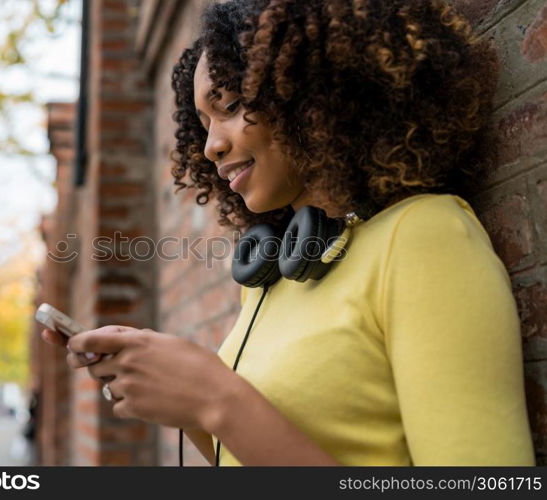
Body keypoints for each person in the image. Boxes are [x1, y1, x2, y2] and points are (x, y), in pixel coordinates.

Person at [42, 0, 535, 466]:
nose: (212, 145)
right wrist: (184, 400)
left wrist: (216, 398)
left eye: (231, 104)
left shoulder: (424, 237)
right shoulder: (273, 277)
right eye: (203, 123)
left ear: (312, 90)